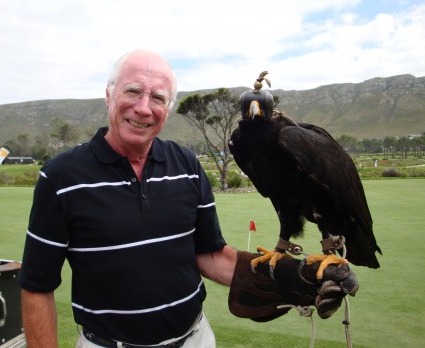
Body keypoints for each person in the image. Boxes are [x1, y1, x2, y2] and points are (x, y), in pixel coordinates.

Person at [19, 49, 358, 348]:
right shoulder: (60, 177)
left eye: (158, 98)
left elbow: (209, 255)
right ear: (109, 96)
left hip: (196, 340)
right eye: (133, 91)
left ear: (167, 109)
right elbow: (37, 287)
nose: (143, 108)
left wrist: (288, 275)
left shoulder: (187, 166)